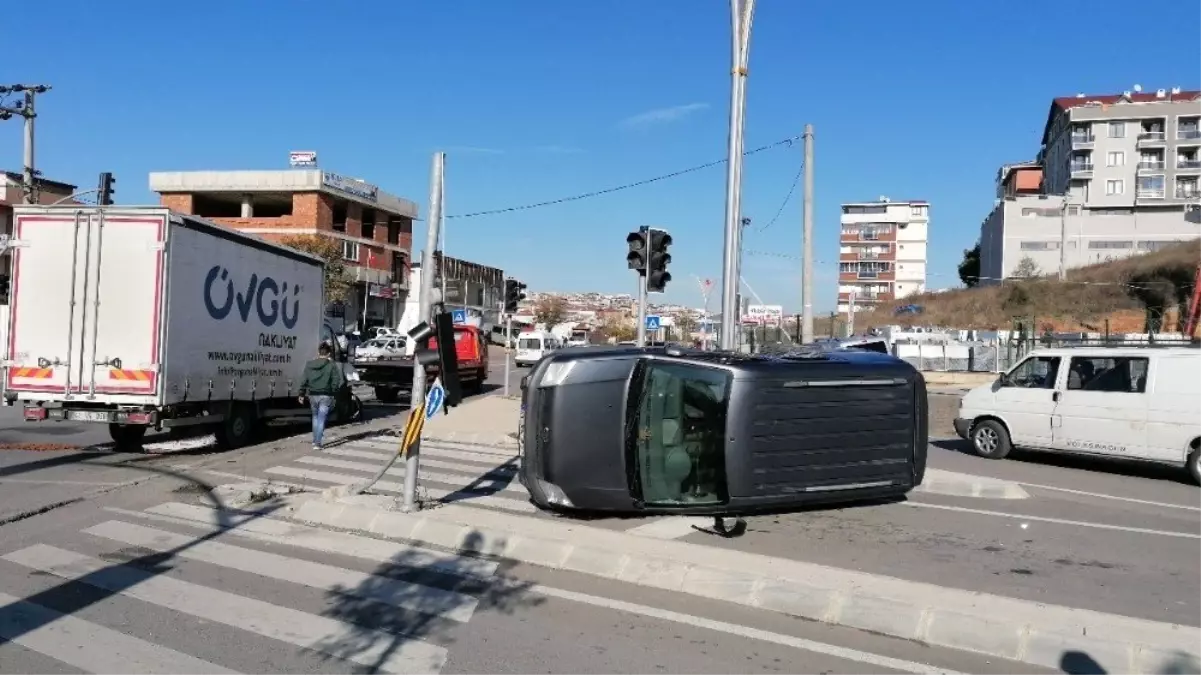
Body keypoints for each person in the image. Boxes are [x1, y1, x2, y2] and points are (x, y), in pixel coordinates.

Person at [299, 342, 346, 450]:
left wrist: (301, 393)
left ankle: (315, 440)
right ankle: (317, 443)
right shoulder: (331, 365)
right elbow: (336, 380)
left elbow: (304, 380)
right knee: (321, 419)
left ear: (318, 352)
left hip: (312, 395)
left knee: (315, 417)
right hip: (326, 395)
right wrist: (334, 392)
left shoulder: (309, 364)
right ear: (329, 354)